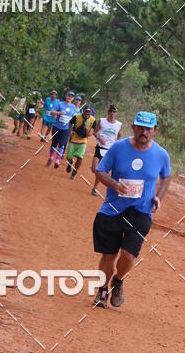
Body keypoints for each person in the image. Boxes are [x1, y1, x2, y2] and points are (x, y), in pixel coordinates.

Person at [92, 111, 171, 309]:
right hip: (113, 209)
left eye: (148, 128)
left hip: (141, 212)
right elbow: (100, 170)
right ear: (133, 127)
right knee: (109, 255)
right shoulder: (118, 148)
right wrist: (113, 184)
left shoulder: (161, 155)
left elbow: (166, 177)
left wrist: (158, 197)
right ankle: (102, 290)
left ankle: (118, 281)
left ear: (155, 131)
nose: (144, 132)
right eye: (140, 127)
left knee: (128, 255)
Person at [91, 104, 122, 196]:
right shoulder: (102, 121)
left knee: (102, 171)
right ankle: (97, 182)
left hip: (110, 150)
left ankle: (95, 188)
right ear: (108, 112)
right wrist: (99, 138)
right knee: (94, 169)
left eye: (114, 112)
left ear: (116, 114)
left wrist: (117, 146)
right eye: (111, 111)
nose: (112, 113)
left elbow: (119, 137)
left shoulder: (119, 125)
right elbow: (94, 132)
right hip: (100, 147)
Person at [46, 90, 77, 168]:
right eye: (69, 96)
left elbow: (75, 117)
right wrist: (59, 113)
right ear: (66, 96)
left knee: (62, 144)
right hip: (57, 127)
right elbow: (52, 112)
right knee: (54, 143)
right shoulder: (60, 104)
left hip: (66, 129)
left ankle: (57, 160)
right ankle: (51, 157)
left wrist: (74, 116)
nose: (70, 97)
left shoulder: (73, 107)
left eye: (71, 96)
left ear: (73, 98)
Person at [66, 104, 96, 178]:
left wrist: (91, 132)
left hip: (83, 140)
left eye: (89, 113)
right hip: (74, 138)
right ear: (83, 111)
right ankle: (71, 162)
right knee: (69, 156)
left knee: (80, 157)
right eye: (86, 112)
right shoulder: (77, 117)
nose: (87, 114)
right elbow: (70, 122)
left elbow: (93, 128)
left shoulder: (93, 120)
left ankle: (75, 171)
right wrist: (70, 131)